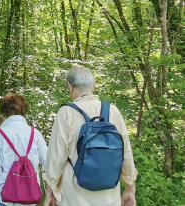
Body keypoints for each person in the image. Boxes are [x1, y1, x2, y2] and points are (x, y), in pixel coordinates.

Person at [43, 66, 137, 206]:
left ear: (70, 87)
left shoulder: (66, 113)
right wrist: (130, 189)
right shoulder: (113, 111)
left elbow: (56, 157)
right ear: (93, 86)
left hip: (74, 198)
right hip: (109, 198)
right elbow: (126, 153)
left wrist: (51, 191)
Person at [0, 93, 47, 206]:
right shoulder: (35, 134)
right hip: (30, 194)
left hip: (5, 195)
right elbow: (48, 162)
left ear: (4, 111)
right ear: (24, 110)